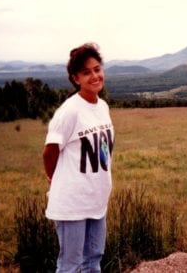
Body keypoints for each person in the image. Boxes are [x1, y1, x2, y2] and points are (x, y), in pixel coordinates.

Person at [43, 43, 114, 273]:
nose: (94, 76)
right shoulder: (70, 111)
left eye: (97, 69)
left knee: (93, 260)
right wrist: (54, 179)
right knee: (70, 266)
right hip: (72, 202)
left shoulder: (102, 106)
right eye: (86, 72)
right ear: (75, 79)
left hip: (96, 198)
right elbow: (50, 151)